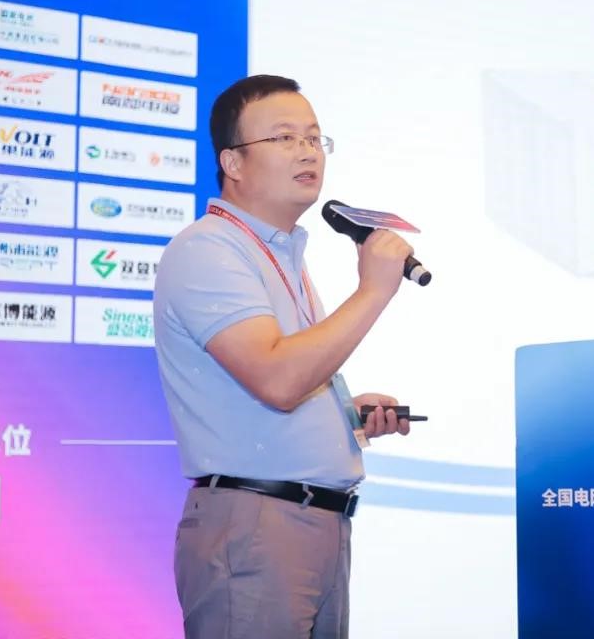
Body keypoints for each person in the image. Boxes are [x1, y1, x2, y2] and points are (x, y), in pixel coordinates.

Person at [153, 74, 414, 638]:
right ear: (233, 162)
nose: (306, 151)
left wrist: (347, 416)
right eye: (284, 137)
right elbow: (277, 378)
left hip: (317, 524)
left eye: (314, 138)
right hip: (257, 524)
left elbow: (282, 381)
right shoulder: (208, 249)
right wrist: (373, 291)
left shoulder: (281, 253)